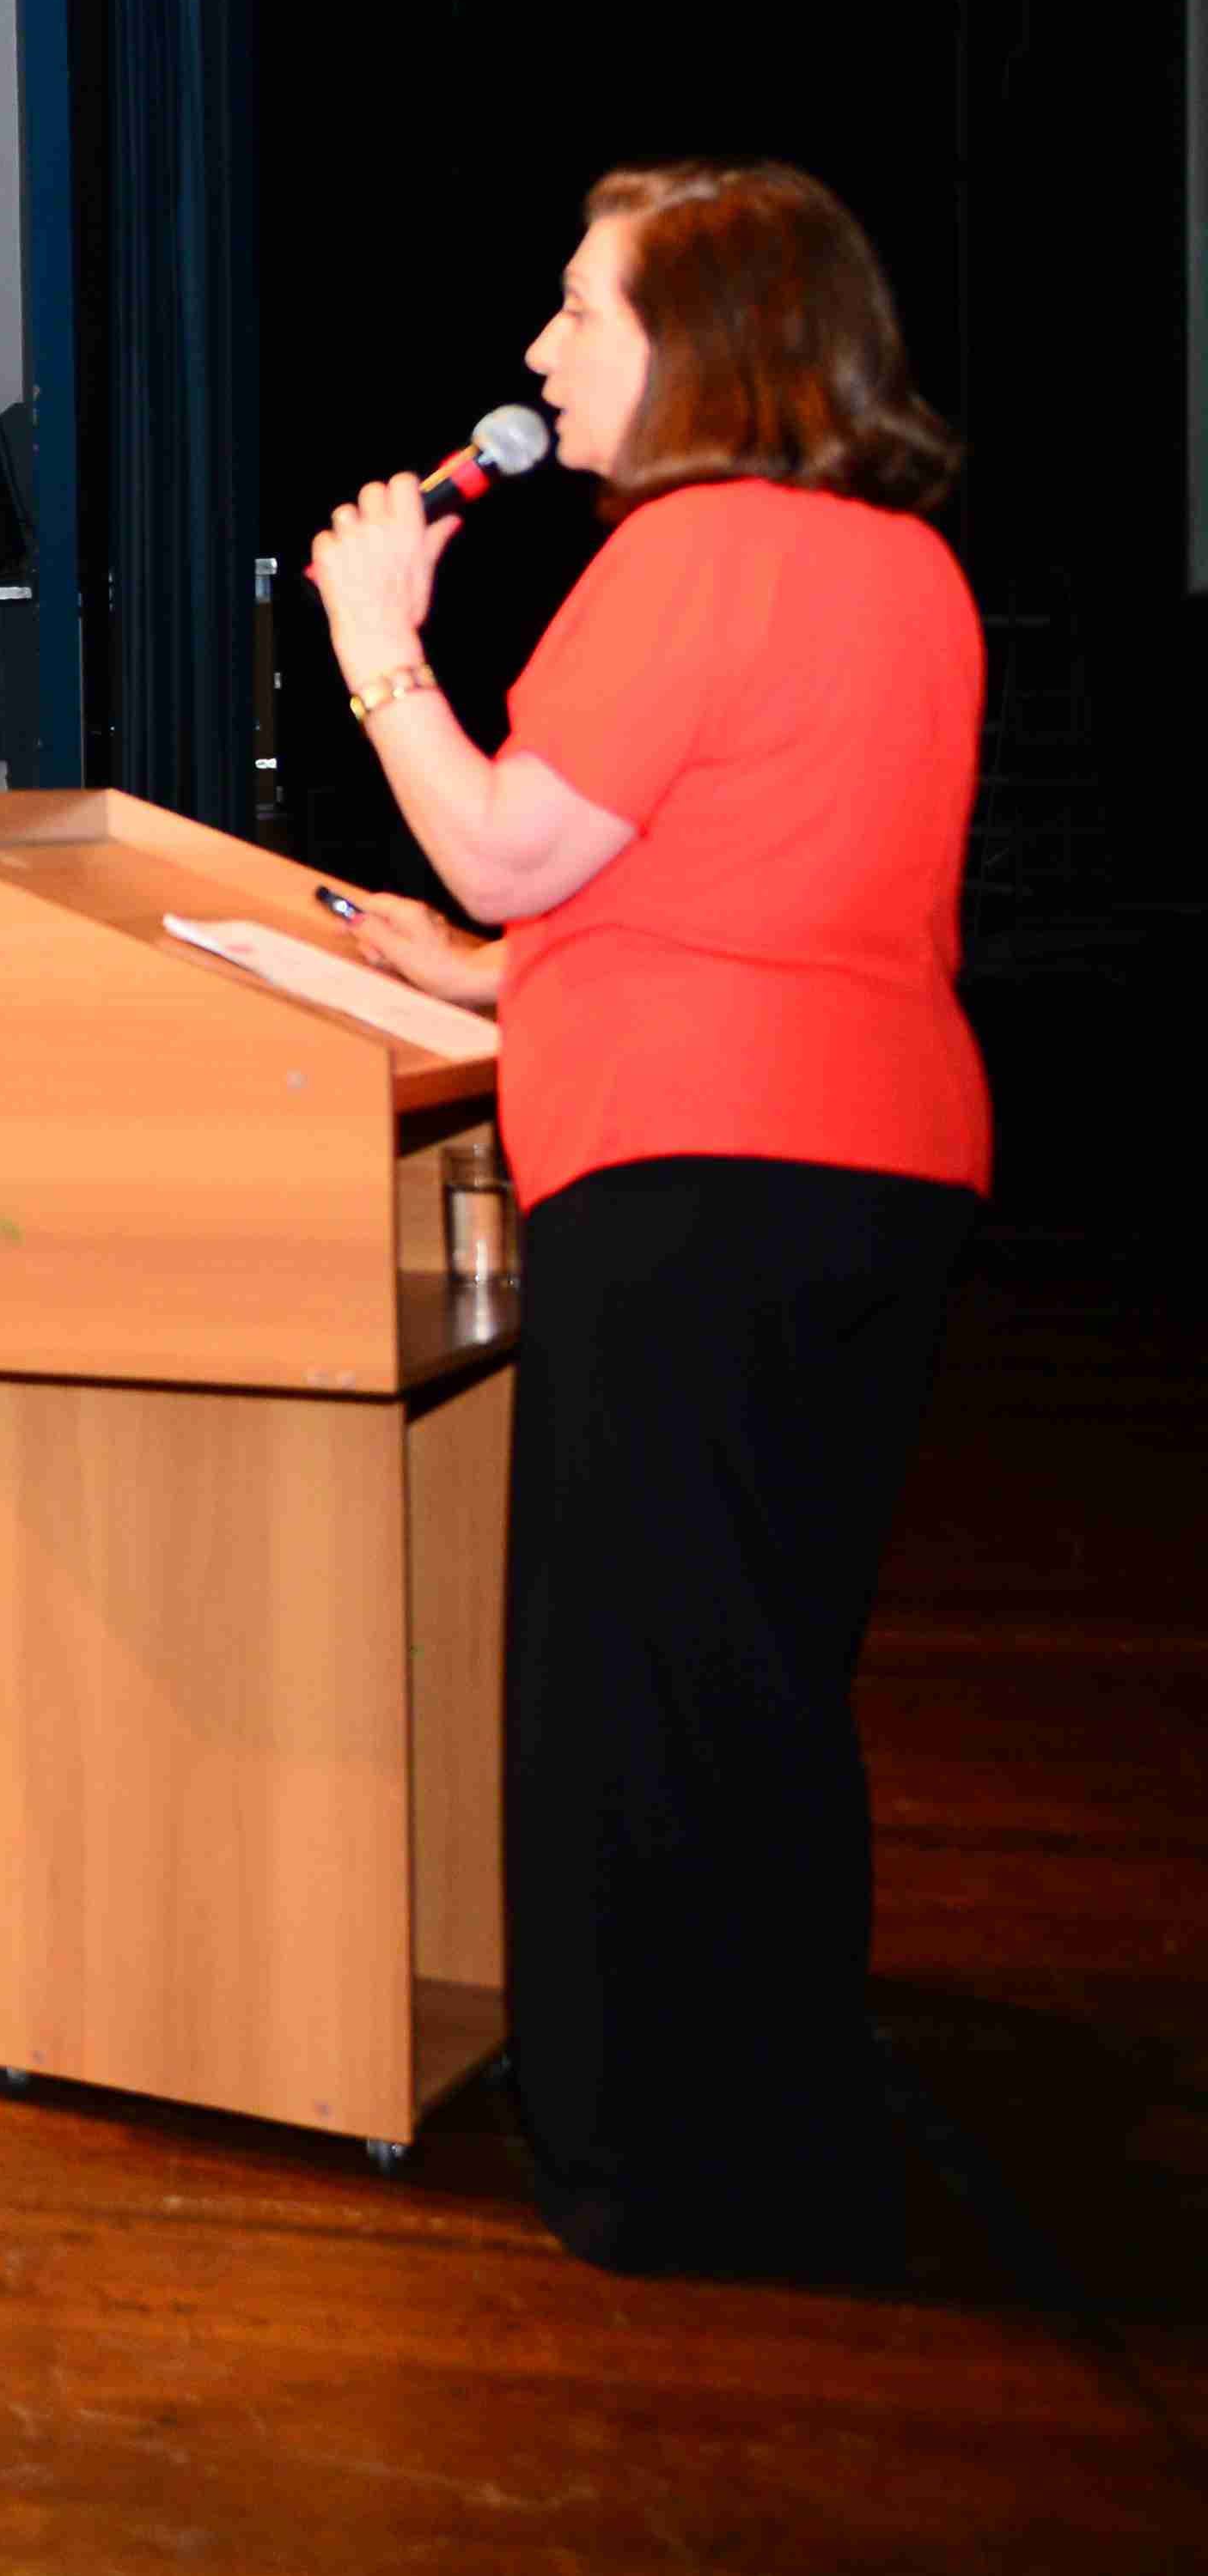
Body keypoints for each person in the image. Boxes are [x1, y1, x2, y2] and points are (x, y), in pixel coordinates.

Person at [299, 159, 990, 2281]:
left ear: (699, 341)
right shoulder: (901, 568)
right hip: (870, 1182)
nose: (535, 353)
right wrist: (464, 969)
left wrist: (375, 656)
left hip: (693, 1181)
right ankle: (776, 2101)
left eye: (575, 312)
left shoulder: (683, 552)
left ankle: (652, 2161)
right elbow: (707, 892)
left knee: (635, 1683)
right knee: (752, 1672)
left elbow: (519, 846)